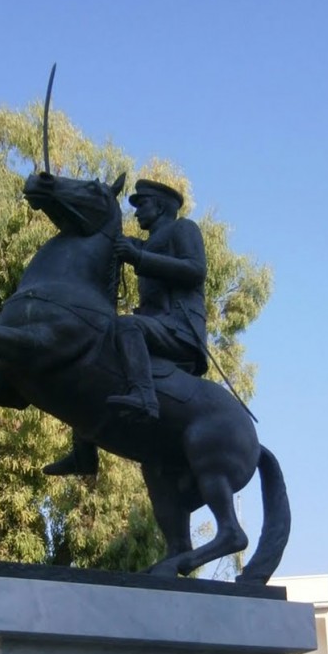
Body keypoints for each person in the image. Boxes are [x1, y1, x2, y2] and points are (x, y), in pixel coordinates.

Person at [44, 179, 208, 476]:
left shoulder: (183, 229)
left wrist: (139, 258)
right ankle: (84, 453)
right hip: (157, 327)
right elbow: (97, 231)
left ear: (160, 207)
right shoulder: (142, 244)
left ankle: (145, 397)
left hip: (179, 329)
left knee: (126, 326)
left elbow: (195, 270)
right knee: (92, 359)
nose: (137, 212)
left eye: (142, 204)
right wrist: (54, 199)